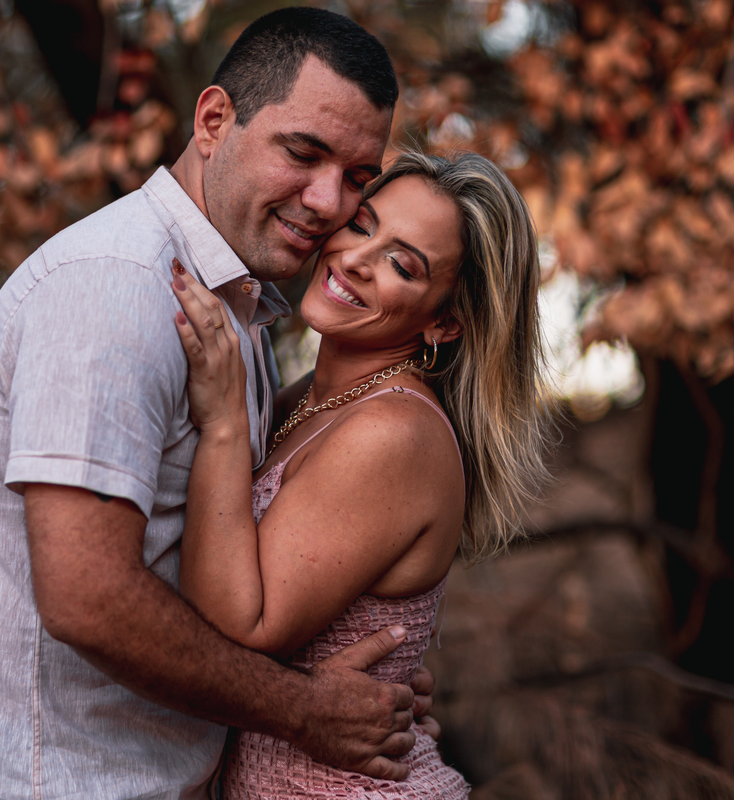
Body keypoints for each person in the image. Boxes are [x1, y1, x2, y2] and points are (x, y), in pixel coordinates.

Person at [0, 9, 437, 799]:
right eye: (303, 152)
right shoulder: (115, 289)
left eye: (357, 178)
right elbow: (88, 597)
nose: (327, 202)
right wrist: (304, 709)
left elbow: (216, 567)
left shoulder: (233, 307)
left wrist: (366, 677)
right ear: (214, 119)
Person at [170, 150, 553, 797]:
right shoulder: (306, 401)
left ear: (445, 320)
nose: (354, 259)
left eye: (402, 264)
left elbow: (245, 626)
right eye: (362, 224)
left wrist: (226, 427)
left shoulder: (392, 433)